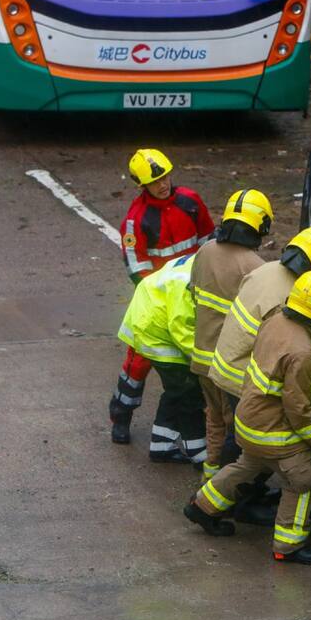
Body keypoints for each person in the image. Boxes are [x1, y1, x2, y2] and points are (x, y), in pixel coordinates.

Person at [184, 271, 311, 566]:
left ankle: (202, 506)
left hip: (247, 419)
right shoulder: (304, 353)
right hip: (272, 431)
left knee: (249, 463)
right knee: (306, 478)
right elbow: (298, 409)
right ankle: (289, 546)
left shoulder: (275, 320)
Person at [110, 148, 214, 444]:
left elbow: (208, 240)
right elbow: (135, 265)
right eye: (155, 181)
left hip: (191, 291)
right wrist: (160, 297)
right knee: (138, 362)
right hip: (157, 298)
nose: (163, 184)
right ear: (142, 186)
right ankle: (121, 413)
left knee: (185, 362)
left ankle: (177, 427)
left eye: (165, 176)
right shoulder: (135, 220)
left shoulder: (191, 201)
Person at [190, 189, 274, 482]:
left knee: (214, 420)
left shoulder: (204, 251)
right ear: (260, 225)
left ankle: (209, 479)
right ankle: (225, 494)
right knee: (236, 431)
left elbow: (193, 296)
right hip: (231, 367)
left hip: (201, 358)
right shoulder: (255, 267)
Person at [208, 227, 311, 399]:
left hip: (223, 364)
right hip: (242, 380)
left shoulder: (266, 269)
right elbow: (284, 346)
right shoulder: (295, 297)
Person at [115, 254, 206, 464]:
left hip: (149, 319)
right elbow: (181, 330)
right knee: (189, 393)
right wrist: (206, 361)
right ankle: (199, 453)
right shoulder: (189, 282)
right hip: (155, 332)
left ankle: (161, 446)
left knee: (177, 390)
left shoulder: (197, 263)